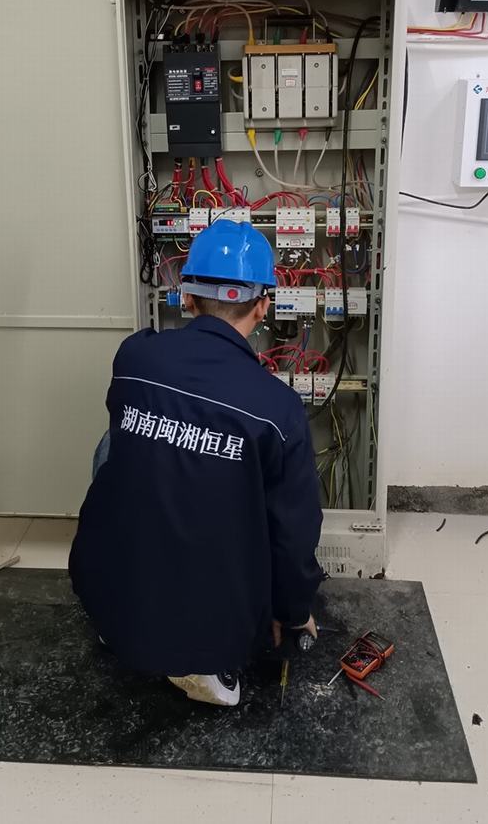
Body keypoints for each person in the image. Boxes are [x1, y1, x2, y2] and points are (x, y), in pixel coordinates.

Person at [69, 218, 323, 707]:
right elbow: (293, 535)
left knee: (115, 444)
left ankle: (119, 608)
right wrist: (293, 611)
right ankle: (203, 659)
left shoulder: (134, 357)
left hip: (103, 588)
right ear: (263, 305)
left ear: (186, 297)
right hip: (208, 624)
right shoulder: (278, 409)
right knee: (270, 499)